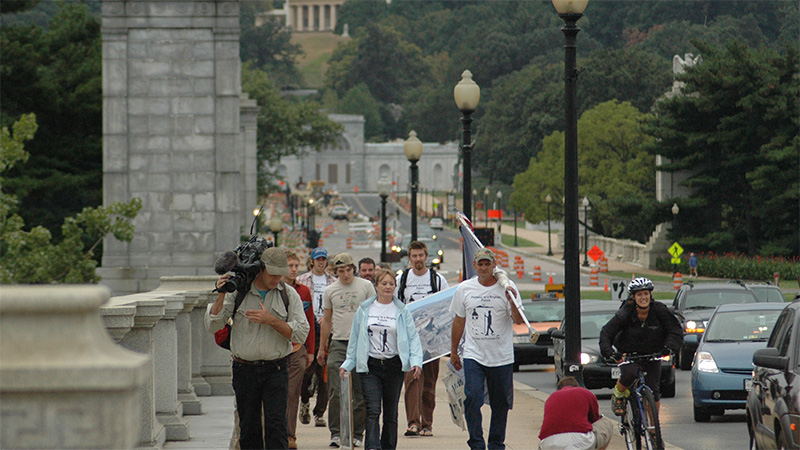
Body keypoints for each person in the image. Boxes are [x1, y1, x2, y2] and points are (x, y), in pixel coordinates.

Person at [205, 247, 310, 450]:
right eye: (273, 273)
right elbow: (213, 325)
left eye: (281, 274)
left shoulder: (288, 294)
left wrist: (272, 320)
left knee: (277, 427)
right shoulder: (239, 292)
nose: (277, 278)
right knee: (249, 427)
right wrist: (220, 295)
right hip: (244, 369)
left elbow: (301, 333)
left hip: (276, 369)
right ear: (260, 269)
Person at [339, 268, 424, 450]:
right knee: (373, 410)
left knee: (390, 413)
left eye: (391, 284)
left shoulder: (402, 310)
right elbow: (355, 339)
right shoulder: (365, 309)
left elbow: (413, 338)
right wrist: (348, 363)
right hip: (371, 366)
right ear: (376, 286)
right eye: (384, 283)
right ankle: (372, 446)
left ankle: (388, 446)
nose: (388, 287)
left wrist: (416, 361)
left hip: (393, 365)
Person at [450, 248, 524, 450]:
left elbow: (518, 321)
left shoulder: (507, 287)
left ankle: (496, 443)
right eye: (480, 264)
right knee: (473, 397)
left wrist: (512, 301)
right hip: (474, 355)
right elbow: (458, 321)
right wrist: (454, 351)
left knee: (500, 404)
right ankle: (476, 443)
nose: (483, 267)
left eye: (487, 264)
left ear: (494, 265)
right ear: (474, 266)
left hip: (501, 357)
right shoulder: (465, 289)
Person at [599, 277, 682, 416]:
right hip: (629, 353)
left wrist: (669, 348)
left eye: (646, 294)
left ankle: (654, 430)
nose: (643, 297)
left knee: (654, 391)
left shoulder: (659, 310)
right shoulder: (626, 312)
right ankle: (618, 396)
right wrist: (610, 353)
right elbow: (606, 332)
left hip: (652, 353)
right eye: (639, 294)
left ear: (650, 295)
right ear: (633, 297)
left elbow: (674, 330)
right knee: (630, 374)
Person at [318, 253, 376, 448]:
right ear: (336, 272)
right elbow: (327, 320)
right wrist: (321, 347)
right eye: (341, 271)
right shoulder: (330, 290)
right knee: (335, 388)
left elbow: (374, 315)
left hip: (361, 343)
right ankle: (336, 432)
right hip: (338, 342)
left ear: (354, 269)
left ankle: (357, 432)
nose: (345, 274)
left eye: (348, 270)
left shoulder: (366, 287)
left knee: (359, 391)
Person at [395, 240, 449, 437]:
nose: (418, 259)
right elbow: (396, 309)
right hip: (410, 341)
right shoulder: (402, 280)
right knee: (411, 381)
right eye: (414, 256)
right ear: (409, 258)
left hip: (432, 342)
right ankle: (413, 423)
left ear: (426, 257)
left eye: (421, 256)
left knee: (429, 384)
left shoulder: (438, 280)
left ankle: (427, 424)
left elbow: (446, 309)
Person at [297, 247, 336, 428]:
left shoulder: (333, 282)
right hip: (309, 328)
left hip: (327, 328)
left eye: (323, 259)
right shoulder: (302, 280)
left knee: (324, 374)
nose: (321, 263)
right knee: (308, 369)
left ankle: (319, 412)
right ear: (312, 261)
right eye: (318, 259)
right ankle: (304, 399)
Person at [283, 250, 317, 449]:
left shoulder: (303, 291)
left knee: (293, 393)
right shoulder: (274, 289)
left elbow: (309, 321)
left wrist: (310, 350)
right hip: (277, 351)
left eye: (296, 265)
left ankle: (290, 435)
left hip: (297, 349)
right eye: (290, 266)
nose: (294, 269)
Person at [538, 377, 615, 450]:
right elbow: (595, 419)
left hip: (548, 444)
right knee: (606, 422)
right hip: (580, 441)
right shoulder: (585, 393)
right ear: (577, 386)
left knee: (544, 441)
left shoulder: (551, 397)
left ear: (558, 389)